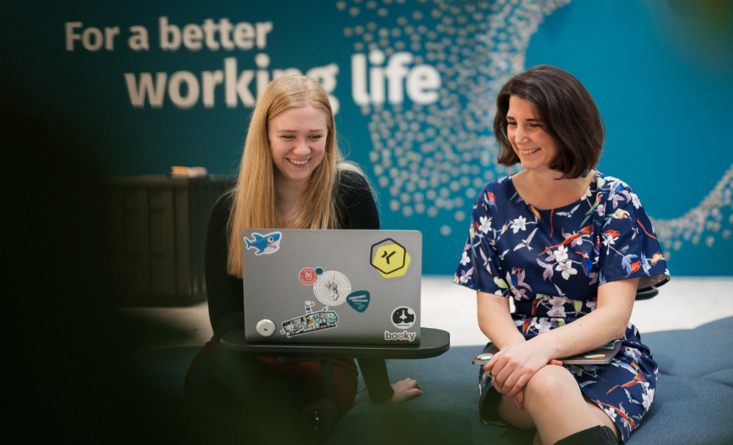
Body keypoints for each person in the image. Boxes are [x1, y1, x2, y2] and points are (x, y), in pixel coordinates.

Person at [184, 75, 422, 440]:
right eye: (287, 136)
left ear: (329, 134)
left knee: (251, 407)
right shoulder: (228, 210)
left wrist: (380, 390)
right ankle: (303, 419)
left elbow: (369, 304)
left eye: (315, 136)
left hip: (326, 358)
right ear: (264, 135)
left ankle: (298, 418)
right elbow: (226, 321)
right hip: (247, 354)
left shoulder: (351, 194)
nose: (302, 150)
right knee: (212, 378)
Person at [453, 65, 669, 445]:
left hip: (609, 357)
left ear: (568, 125)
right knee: (548, 383)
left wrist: (541, 351)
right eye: (512, 122)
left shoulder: (615, 199)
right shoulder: (493, 199)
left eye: (533, 124)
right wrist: (523, 356)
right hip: (515, 356)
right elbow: (490, 309)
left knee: (555, 412)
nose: (519, 136)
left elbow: (613, 318)